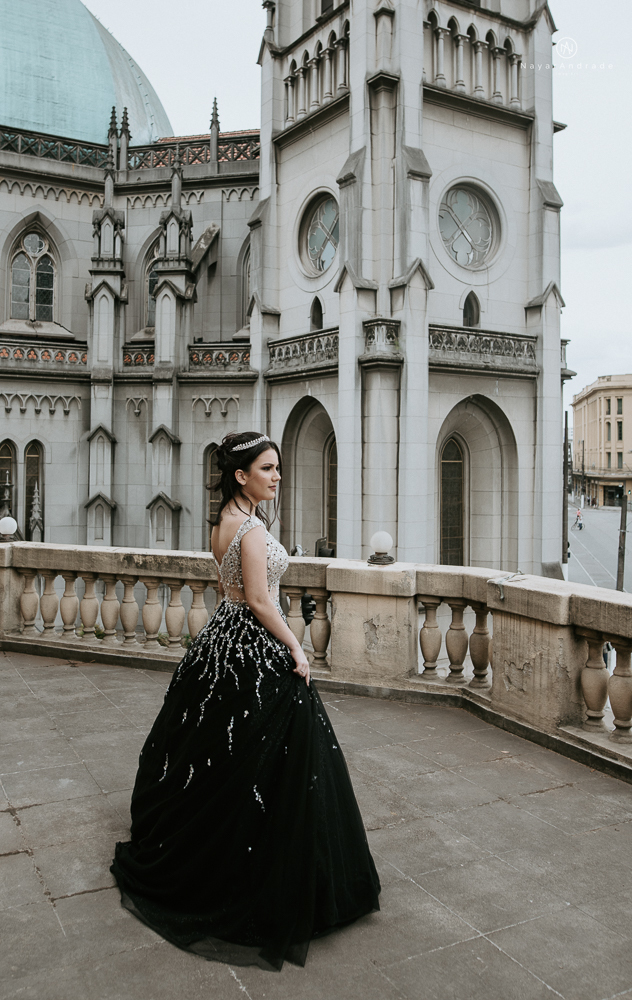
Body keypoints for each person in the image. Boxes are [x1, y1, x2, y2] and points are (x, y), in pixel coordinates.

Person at [111, 431, 381, 971]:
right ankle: (263, 868)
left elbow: (233, 592)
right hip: (253, 642)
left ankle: (217, 844)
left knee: (214, 753)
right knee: (274, 755)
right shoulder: (252, 530)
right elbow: (260, 600)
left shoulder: (223, 524)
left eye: (277, 468)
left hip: (221, 638)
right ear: (241, 475)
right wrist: (296, 649)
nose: (277, 477)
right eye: (267, 469)